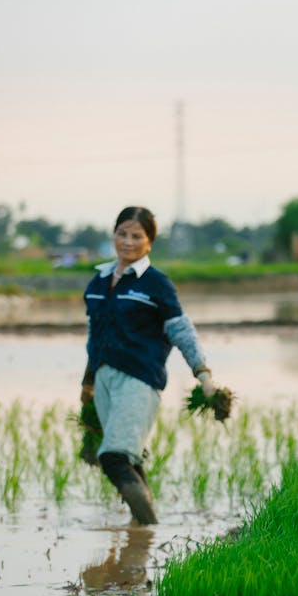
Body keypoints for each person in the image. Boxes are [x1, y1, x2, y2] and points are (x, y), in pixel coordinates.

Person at [80, 206, 220, 525]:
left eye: (137, 236)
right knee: (130, 458)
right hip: (103, 378)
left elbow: (180, 329)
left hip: (139, 380)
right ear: (113, 234)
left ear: (149, 242)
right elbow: (95, 335)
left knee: (114, 457)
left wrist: (203, 374)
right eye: (122, 233)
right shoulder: (98, 282)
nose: (128, 242)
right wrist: (87, 384)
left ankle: (149, 528)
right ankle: (141, 540)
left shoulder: (155, 283)